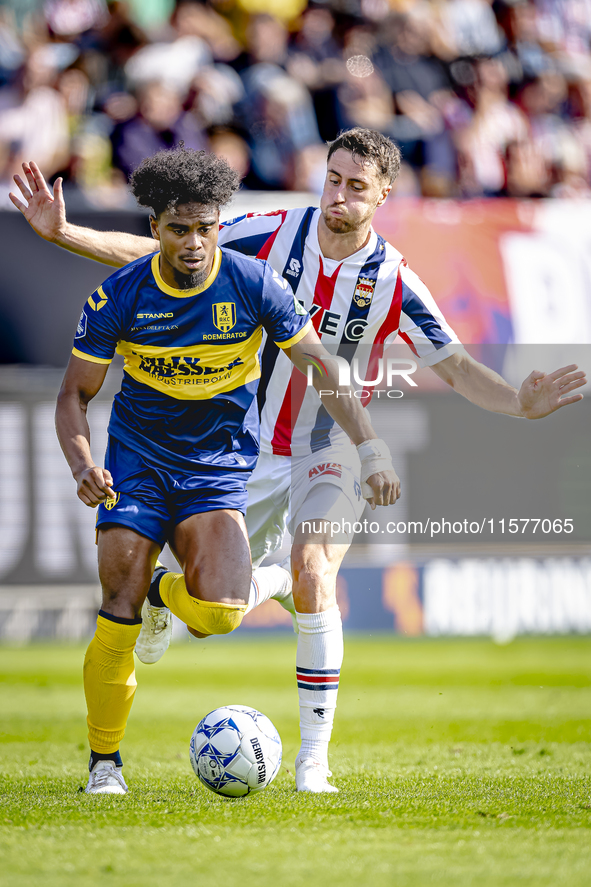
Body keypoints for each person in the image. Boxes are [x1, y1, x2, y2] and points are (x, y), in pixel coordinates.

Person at [11, 128, 587, 794]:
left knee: (313, 567)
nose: (337, 196)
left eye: (355, 187)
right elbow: (164, 250)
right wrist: (64, 234)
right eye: (332, 178)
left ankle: (313, 761)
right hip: (249, 449)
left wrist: (517, 400)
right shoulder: (273, 231)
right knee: (212, 611)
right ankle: (181, 599)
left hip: (332, 444)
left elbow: (455, 366)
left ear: (384, 196)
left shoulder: (393, 279)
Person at [45, 145, 399, 795]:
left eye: (205, 227)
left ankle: (162, 593)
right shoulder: (119, 296)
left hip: (214, 468)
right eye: (178, 228)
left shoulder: (252, 282)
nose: (193, 242)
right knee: (115, 606)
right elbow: (74, 394)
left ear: (218, 224)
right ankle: (104, 764)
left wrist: (370, 444)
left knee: (220, 613)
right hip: (136, 463)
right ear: (154, 229)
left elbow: (319, 362)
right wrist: (82, 461)